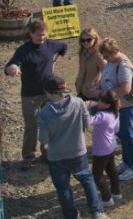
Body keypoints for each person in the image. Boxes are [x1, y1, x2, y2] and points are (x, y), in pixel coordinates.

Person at [37, 75, 107, 219]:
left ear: (48, 93)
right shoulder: (78, 102)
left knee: (63, 188)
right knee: (87, 179)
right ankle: (97, 212)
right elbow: (87, 124)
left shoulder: (44, 113)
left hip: (56, 156)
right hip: (78, 152)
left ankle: (71, 215)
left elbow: (43, 139)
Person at [4, 19, 68, 170]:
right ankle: (28, 156)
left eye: (44, 35)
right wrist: (12, 68)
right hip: (30, 94)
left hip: (49, 93)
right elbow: (10, 65)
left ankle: (47, 152)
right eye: (39, 35)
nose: (42, 38)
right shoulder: (23, 50)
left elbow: (64, 47)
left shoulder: (50, 45)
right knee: (31, 126)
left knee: (49, 122)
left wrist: (55, 62)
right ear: (31, 34)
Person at [95, 38, 133, 181]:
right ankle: (127, 161)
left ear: (114, 52)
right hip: (116, 106)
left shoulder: (123, 65)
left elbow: (125, 89)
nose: (105, 59)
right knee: (122, 135)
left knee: (128, 134)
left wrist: (102, 94)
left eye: (107, 56)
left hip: (125, 106)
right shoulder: (112, 62)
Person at [87, 89, 122, 209]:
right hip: (111, 145)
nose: (98, 102)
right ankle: (116, 192)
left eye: (101, 101)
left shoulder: (102, 115)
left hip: (101, 149)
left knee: (97, 175)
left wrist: (86, 108)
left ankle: (106, 198)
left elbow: (88, 122)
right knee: (111, 170)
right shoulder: (115, 113)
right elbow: (116, 129)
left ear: (107, 105)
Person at [75, 28, 105, 101]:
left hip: (93, 93)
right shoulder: (82, 53)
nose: (85, 42)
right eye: (83, 40)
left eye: (89, 40)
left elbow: (106, 73)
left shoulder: (99, 55)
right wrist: (77, 83)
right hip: (81, 90)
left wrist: (96, 87)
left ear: (95, 39)